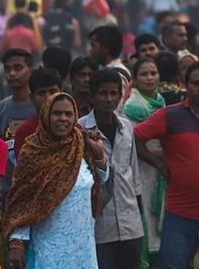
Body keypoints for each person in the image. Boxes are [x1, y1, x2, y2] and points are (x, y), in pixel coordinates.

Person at [5, 93, 108, 269]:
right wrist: (17, 242)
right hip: (48, 249)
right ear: (46, 115)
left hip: (83, 247)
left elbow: (102, 178)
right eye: (57, 113)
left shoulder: (82, 143)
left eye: (68, 114)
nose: (63, 119)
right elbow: (22, 201)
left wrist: (98, 153)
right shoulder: (33, 151)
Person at [134, 62, 199, 269]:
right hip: (178, 215)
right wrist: (158, 163)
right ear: (185, 85)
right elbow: (134, 138)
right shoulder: (170, 115)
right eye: (195, 83)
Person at [77, 69, 144, 269]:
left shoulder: (126, 127)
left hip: (130, 222)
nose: (109, 99)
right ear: (93, 96)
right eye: (103, 93)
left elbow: (133, 170)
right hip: (99, 226)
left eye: (114, 93)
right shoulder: (80, 130)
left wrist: (138, 209)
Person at [123, 58, 166, 263]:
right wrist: (155, 154)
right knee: (144, 215)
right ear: (135, 79)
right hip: (140, 168)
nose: (150, 78)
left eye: (153, 73)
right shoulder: (132, 107)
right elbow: (130, 141)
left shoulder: (161, 102)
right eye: (144, 74)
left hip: (159, 170)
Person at [0, 49, 36, 211]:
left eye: (18, 68)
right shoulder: (2, 108)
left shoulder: (40, 106)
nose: (12, 73)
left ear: (30, 70)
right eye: (7, 69)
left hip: (35, 193)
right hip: (8, 193)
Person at [13, 67, 62, 159]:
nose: (48, 98)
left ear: (61, 93)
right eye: (41, 93)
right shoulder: (25, 132)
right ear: (32, 97)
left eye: (52, 91)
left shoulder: (74, 129)